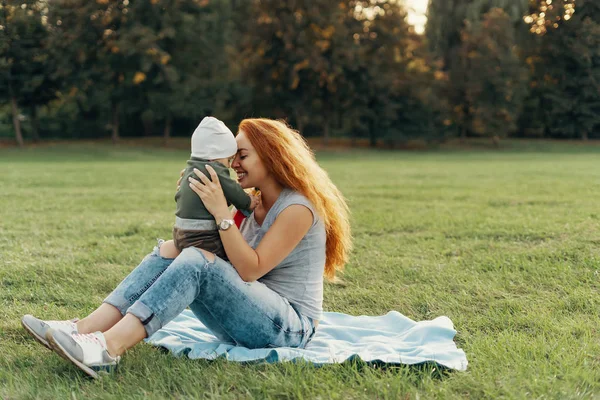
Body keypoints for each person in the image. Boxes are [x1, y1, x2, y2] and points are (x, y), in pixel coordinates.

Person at [21, 118, 352, 379]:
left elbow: (249, 269)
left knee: (197, 261)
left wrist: (222, 211)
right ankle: (83, 330)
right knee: (172, 249)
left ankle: (107, 349)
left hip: (288, 329)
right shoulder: (254, 203)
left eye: (243, 155)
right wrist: (197, 203)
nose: (233, 163)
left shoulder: (298, 208)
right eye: (232, 154)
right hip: (250, 315)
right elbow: (214, 255)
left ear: (272, 155)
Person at [164, 116, 259, 261]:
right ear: (214, 157)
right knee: (229, 254)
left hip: (179, 233)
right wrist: (248, 201)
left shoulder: (190, 169)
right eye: (228, 159)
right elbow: (233, 190)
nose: (230, 165)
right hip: (202, 237)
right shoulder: (214, 169)